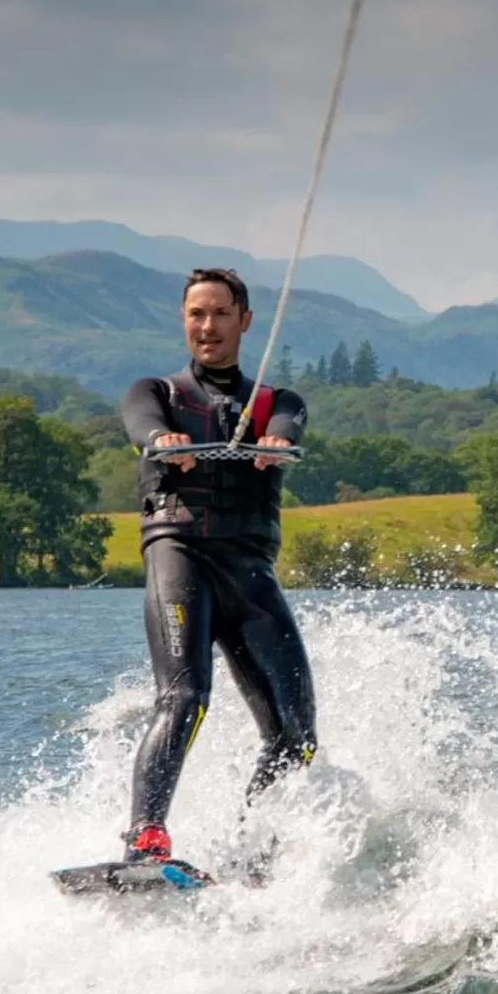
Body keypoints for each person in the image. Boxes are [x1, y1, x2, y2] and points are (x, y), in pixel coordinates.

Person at [115, 266, 316, 868]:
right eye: (197, 314)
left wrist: (274, 443)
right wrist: (162, 440)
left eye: (221, 313)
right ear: (184, 321)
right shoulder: (156, 394)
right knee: (185, 696)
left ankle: (256, 853)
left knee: (297, 735)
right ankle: (146, 837)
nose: (208, 326)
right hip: (182, 557)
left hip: (249, 573)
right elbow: (140, 425)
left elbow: (287, 426)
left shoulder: (278, 403)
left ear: (245, 322)